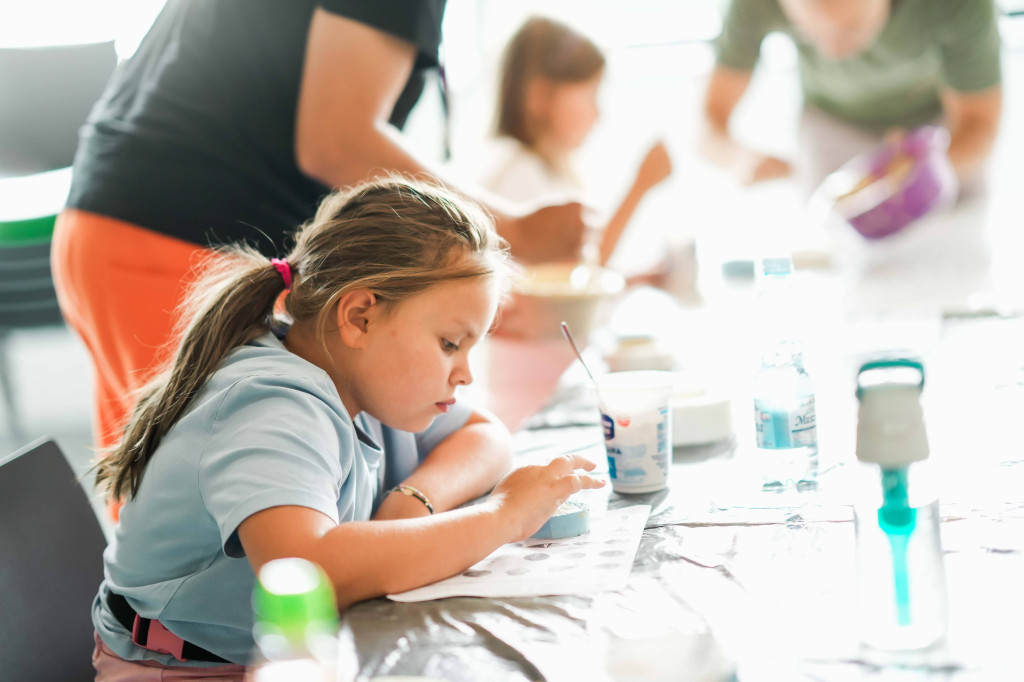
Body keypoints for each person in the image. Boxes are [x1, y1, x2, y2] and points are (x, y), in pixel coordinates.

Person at [89, 177, 605, 677]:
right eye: (450, 343)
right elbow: (307, 573)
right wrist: (503, 516)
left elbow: (486, 437)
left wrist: (411, 501)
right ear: (359, 316)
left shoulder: (370, 381)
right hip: (186, 669)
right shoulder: (272, 406)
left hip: (292, 653)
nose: (465, 372)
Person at [52, 0, 590, 463]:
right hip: (175, 237)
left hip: (115, 220)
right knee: (205, 506)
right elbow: (336, 140)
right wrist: (510, 229)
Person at [700, 0, 1002, 188]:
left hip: (938, 131)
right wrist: (739, 158)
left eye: (851, 30)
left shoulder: (960, 3)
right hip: (829, 127)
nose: (833, 51)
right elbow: (706, 125)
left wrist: (926, 168)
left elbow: (980, 122)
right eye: (811, 32)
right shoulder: (749, 4)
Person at [477, 15, 673, 266]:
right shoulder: (517, 175)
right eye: (590, 95)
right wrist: (640, 186)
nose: (598, 113)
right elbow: (573, 276)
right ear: (541, 94)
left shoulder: (548, 171)